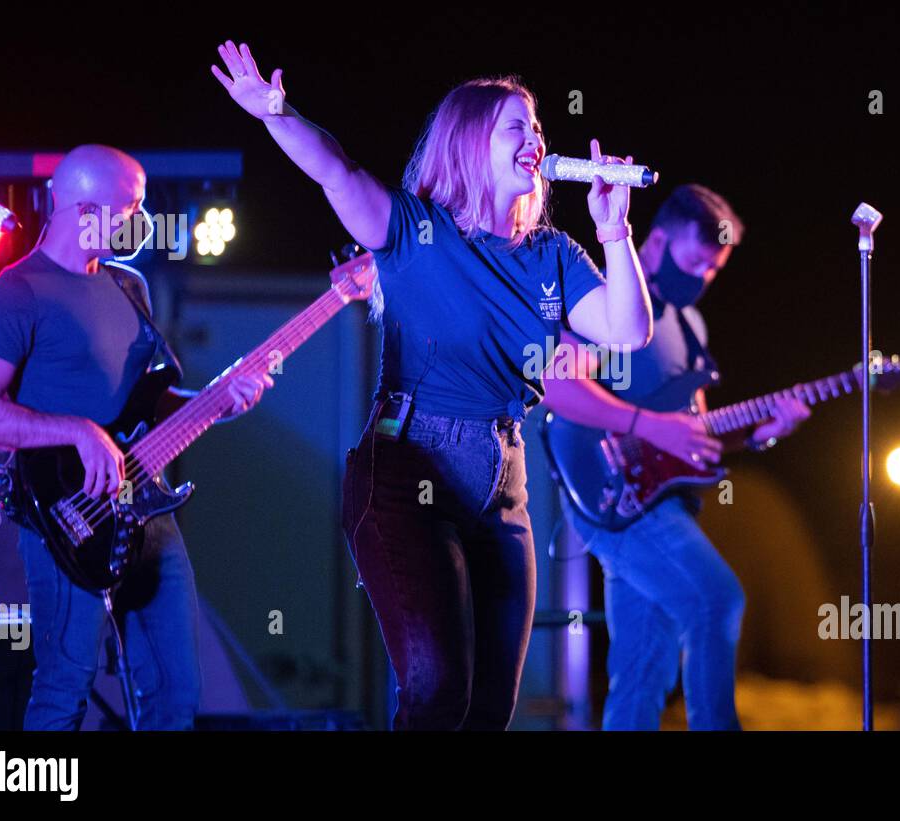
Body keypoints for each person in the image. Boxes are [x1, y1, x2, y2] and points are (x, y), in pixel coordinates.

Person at [212, 41, 652, 730]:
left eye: (538, 126)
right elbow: (337, 171)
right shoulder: (416, 230)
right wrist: (279, 115)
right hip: (408, 465)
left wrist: (616, 232)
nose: (535, 137)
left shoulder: (555, 256)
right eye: (517, 126)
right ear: (471, 141)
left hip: (503, 481)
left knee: (486, 709)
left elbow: (626, 331)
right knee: (436, 688)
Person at [0, 144, 273, 730]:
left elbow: (152, 407)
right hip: (65, 520)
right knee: (63, 689)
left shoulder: (131, 288)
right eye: (130, 207)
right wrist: (77, 432)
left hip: (145, 507)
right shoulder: (15, 293)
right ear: (82, 211)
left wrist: (219, 401)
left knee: (177, 694)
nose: (141, 221)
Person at [542, 184, 811, 730]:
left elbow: (695, 437)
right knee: (717, 602)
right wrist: (645, 424)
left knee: (642, 671)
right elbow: (555, 387)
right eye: (695, 263)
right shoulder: (609, 302)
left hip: (666, 500)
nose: (703, 278)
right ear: (658, 240)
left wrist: (763, 434)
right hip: (612, 493)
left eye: (714, 270)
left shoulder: (691, 327)